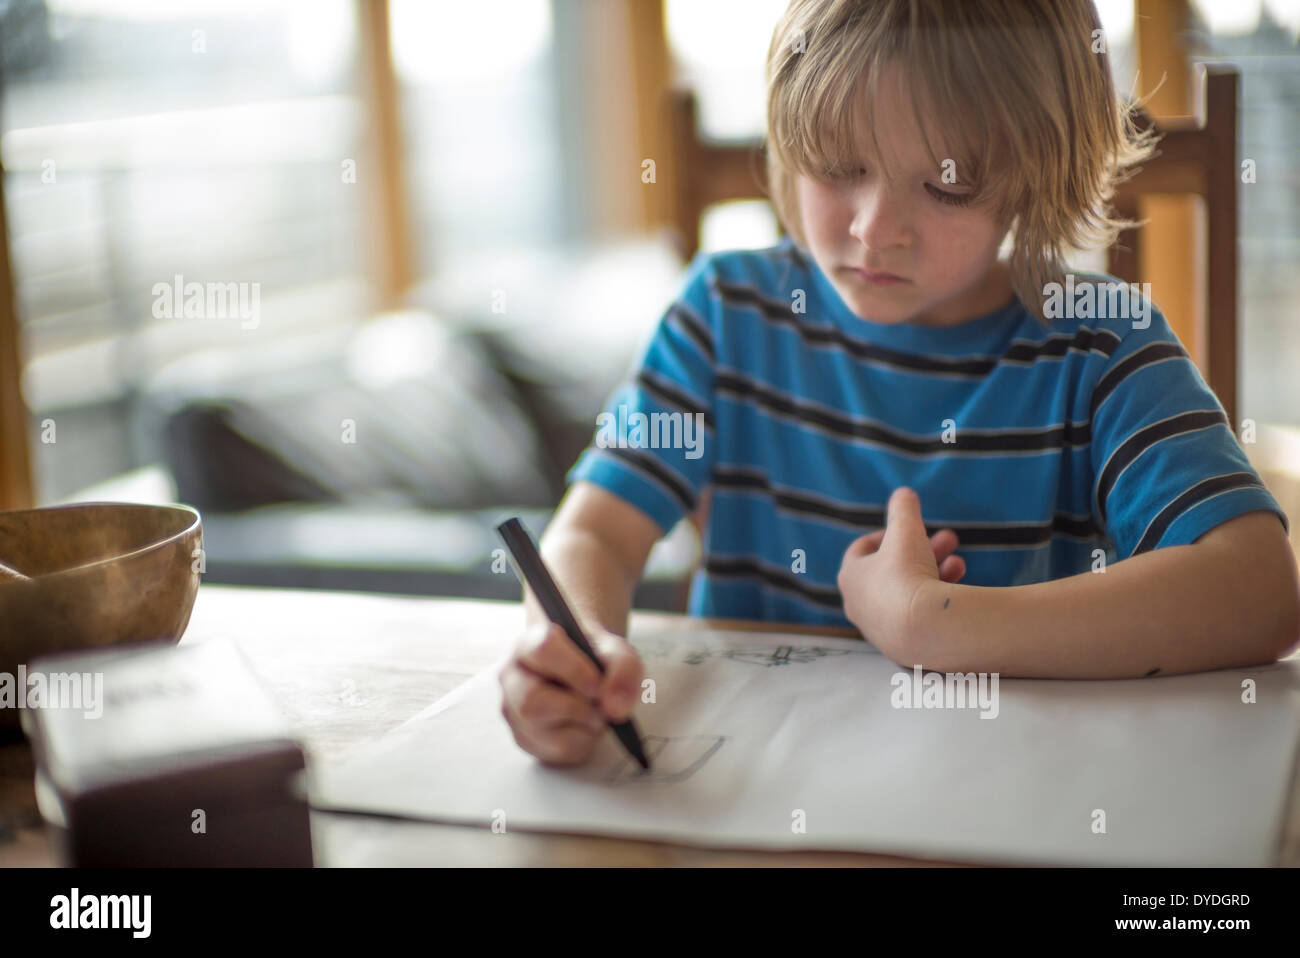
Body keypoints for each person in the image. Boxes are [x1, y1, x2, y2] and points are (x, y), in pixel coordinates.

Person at [498, 0, 1300, 767]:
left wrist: (935, 624)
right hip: (748, 797)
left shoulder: (1099, 344)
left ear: (1037, 173)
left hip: (1015, 799)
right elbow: (596, 532)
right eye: (838, 166)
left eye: (947, 186)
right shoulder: (724, 315)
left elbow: (1260, 590)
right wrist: (569, 649)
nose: (874, 230)